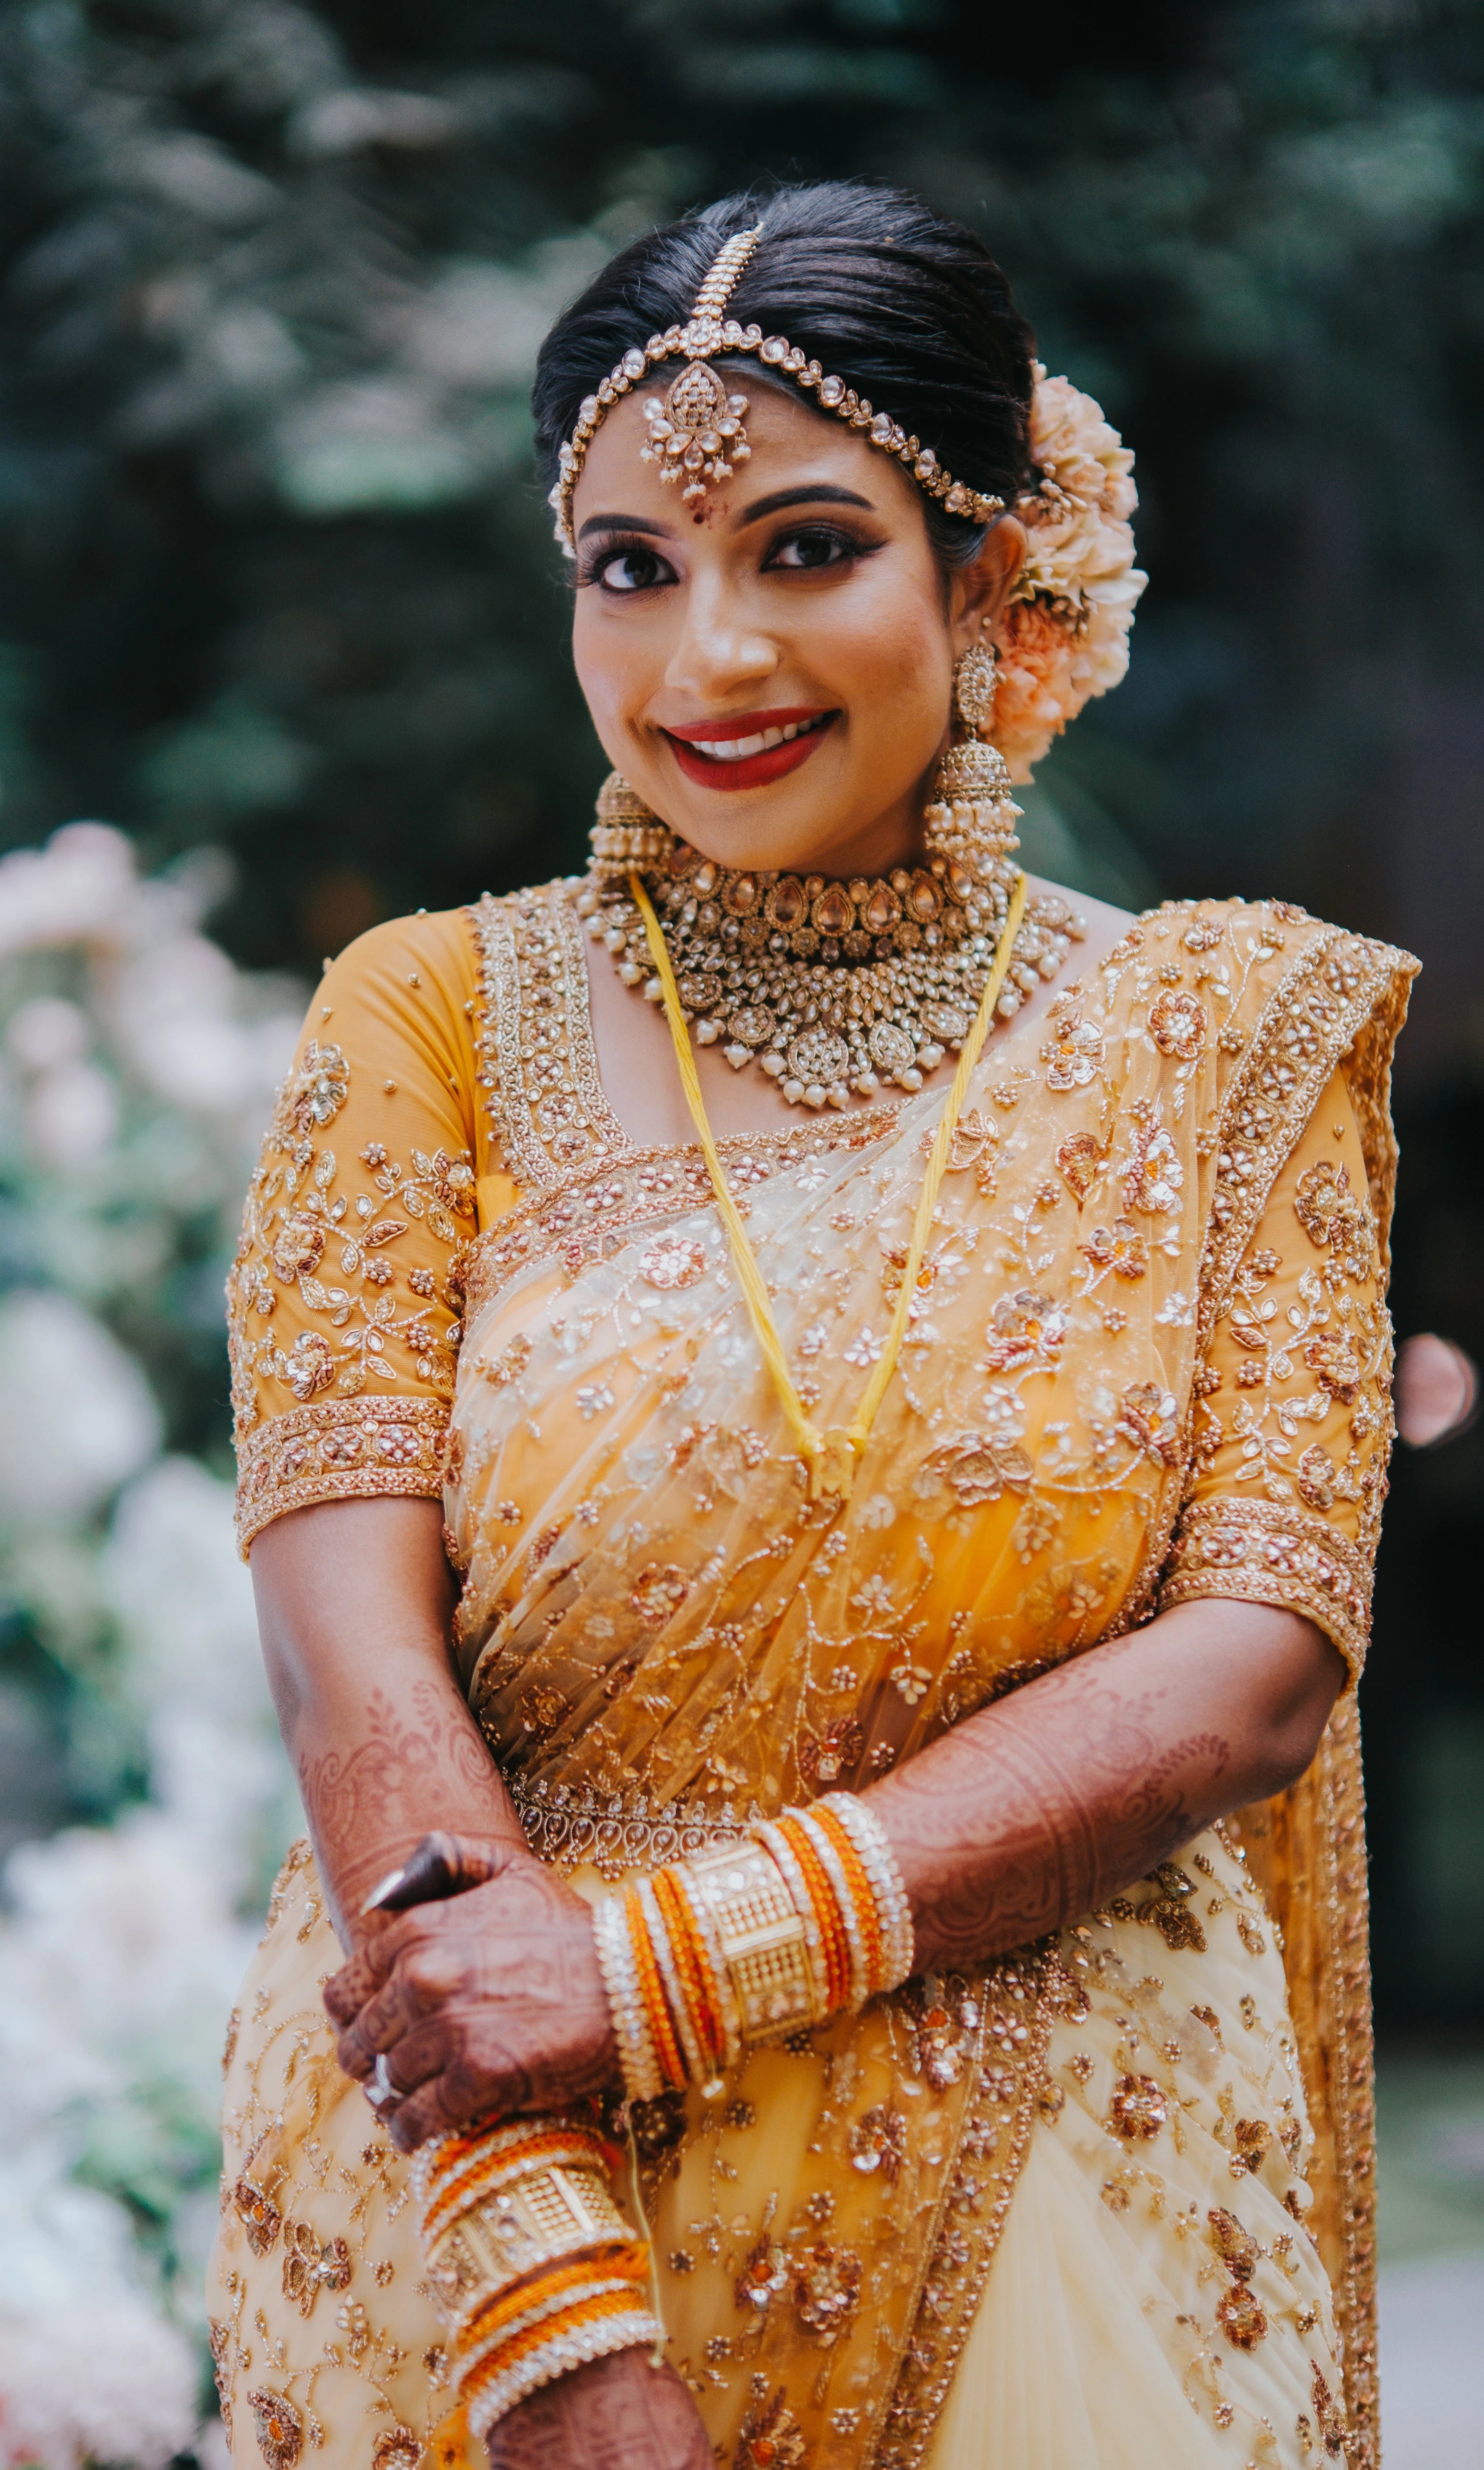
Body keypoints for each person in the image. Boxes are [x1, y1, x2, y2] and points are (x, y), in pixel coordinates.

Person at [207, 181, 1416, 2470]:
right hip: (489, 2216)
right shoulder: (432, 1023)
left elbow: (1255, 1656)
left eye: (804, 547)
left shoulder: (1224, 1041)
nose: (709, 663)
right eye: (631, 569)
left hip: (1071, 2197)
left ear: (987, 573)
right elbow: (350, 1664)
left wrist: (656, 1965)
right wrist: (544, 2298)